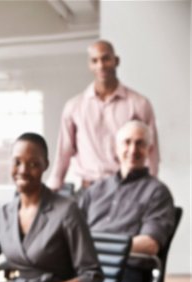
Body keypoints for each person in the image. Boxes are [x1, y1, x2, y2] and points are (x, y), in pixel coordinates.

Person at [0, 133, 103, 282]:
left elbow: (93, 278)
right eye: (17, 162)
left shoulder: (67, 211)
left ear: (45, 165)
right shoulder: (5, 214)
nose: (23, 170)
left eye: (33, 164)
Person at [78, 120, 175, 282]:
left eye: (140, 143)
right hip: (85, 269)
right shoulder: (94, 190)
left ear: (149, 150)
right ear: (116, 147)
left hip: (126, 272)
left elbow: (149, 245)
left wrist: (92, 246)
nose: (132, 149)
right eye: (127, 142)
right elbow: (72, 233)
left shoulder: (157, 192)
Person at [47, 40, 160, 192]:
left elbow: (151, 150)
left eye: (106, 58)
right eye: (95, 60)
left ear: (116, 61)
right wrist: (52, 188)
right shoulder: (74, 107)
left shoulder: (139, 104)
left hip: (128, 188)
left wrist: (151, 188)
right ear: (90, 65)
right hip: (88, 191)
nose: (101, 65)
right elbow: (64, 151)